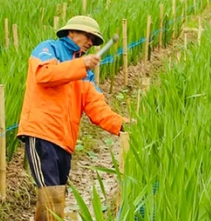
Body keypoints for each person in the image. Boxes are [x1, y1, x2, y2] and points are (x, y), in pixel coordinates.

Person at [17, 15, 131, 221]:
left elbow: (96, 108)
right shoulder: (48, 49)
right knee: (51, 195)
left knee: (56, 195)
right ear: (72, 32)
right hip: (41, 132)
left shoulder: (85, 73)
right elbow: (44, 75)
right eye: (88, 36)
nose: (90, 42)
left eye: (94, 41)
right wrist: (82, 65)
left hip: (65, 141)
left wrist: (122, 124)